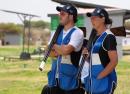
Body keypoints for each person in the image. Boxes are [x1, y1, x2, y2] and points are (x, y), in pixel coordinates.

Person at [47, 4, 85, 94]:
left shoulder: (77, 33)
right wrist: (59, 49)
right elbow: (47, 52)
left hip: (70, 81)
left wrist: (54, 46)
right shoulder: (56, 32)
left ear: (71, 17)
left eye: (63, 14)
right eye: (59, 13)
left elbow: (66, 51)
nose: (59, 16)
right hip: (55, 79)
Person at [82, 7, 118, 94]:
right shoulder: (94, 36)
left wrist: (99, 77)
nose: (92, 20)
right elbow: (94, 60)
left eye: (94, 18)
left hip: (104, 82)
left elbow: (114, 61)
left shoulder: (109, 37)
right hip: (93, 82)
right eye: (91, 18)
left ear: (103, 19)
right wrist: (87, 56)